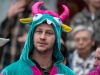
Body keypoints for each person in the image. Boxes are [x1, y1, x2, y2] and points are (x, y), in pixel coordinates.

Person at [0, 2, 75, 75]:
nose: (42, 37)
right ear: (32, 35)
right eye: (39, 31)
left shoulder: (66, 73)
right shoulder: (10, 72)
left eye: (49, 33)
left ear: (57, 38)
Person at [0, 0, 38, 71]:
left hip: (27, 68)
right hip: (8, 64)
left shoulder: (42, 11)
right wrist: (9, 17)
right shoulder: (14, 8)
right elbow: (2, 35)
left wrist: (31, 41)